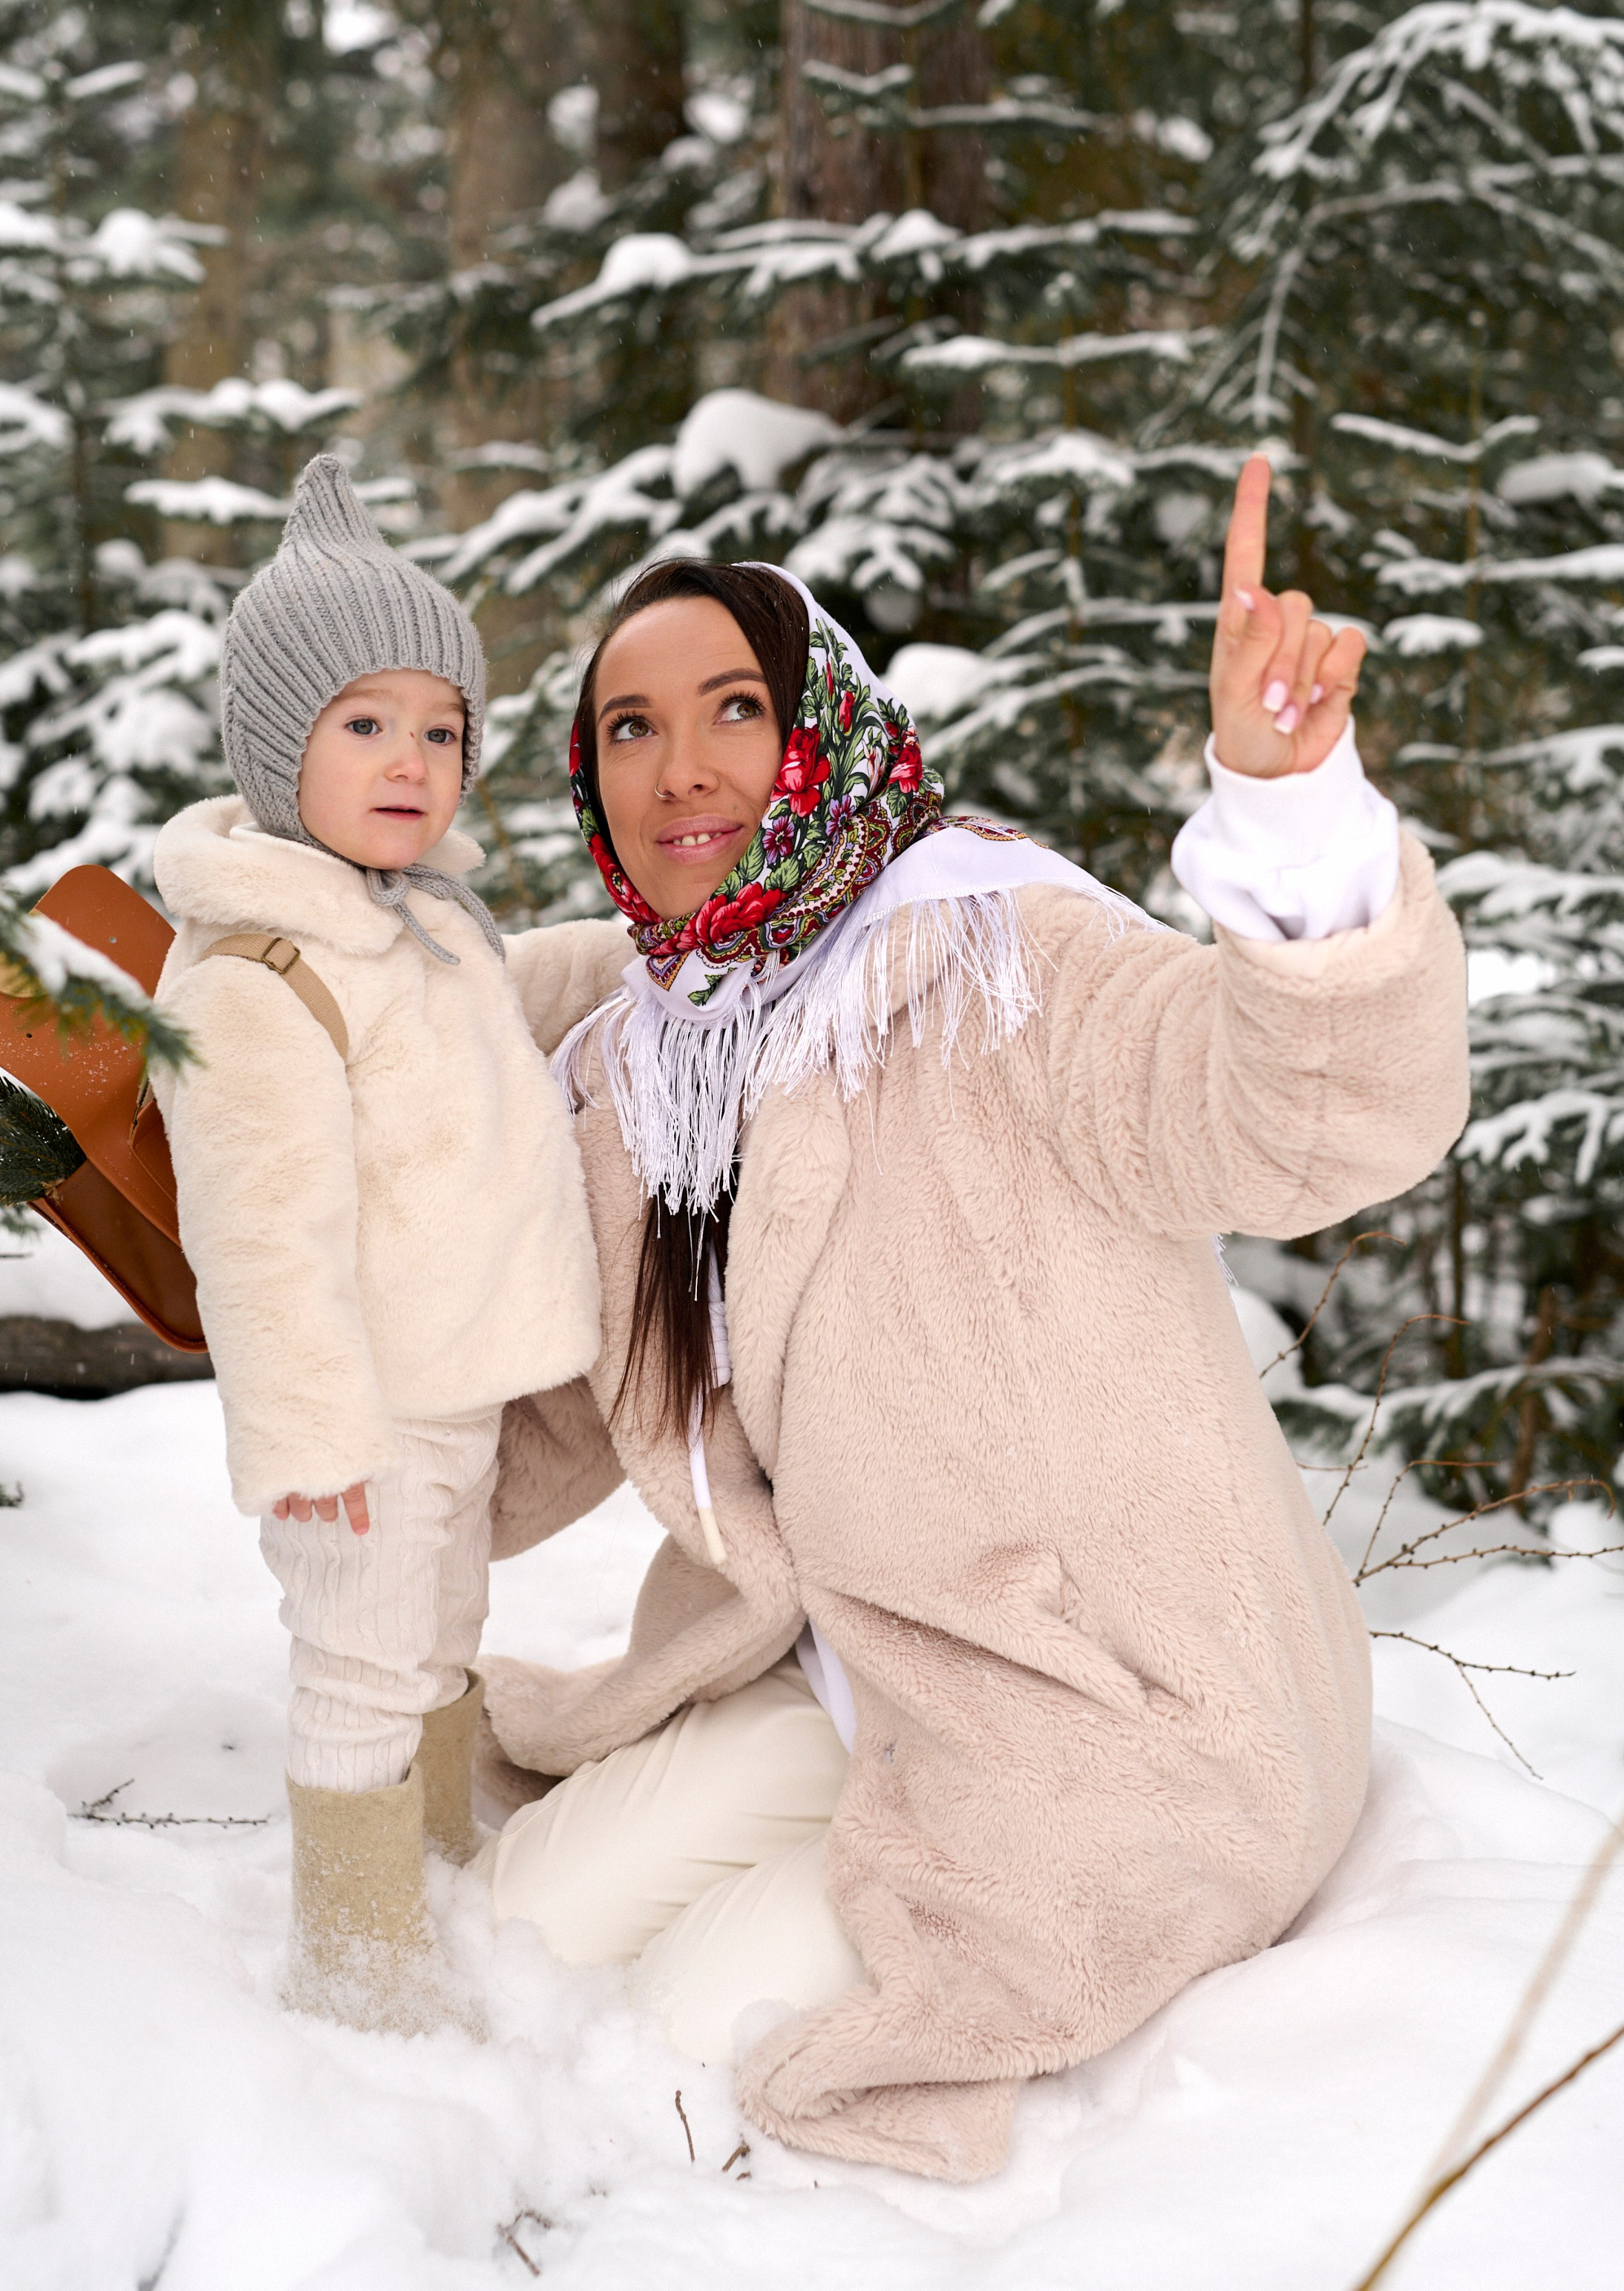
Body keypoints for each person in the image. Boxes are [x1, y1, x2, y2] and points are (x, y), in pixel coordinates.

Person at [476, 455, 1470, 2180]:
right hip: (861, 1673)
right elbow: (547, 1399)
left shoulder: (998, 956)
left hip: (1114, 1710)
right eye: (627, 728)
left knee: (693, 2048)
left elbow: (1289, 1117)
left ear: (823, 736)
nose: (681, 765)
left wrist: (1293, 812)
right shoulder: (651, 1056)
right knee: (519, 1929)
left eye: (733, 707)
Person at [149, 454, 600, 2032]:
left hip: (450, 1386)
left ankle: (434, 1872)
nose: (414, 759)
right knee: (360, 1660)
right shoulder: (259, 968)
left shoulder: (425, 916)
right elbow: (261, 1235)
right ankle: (356, 1964)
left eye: (442, 727)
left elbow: (501, 1026)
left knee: (440, 1636)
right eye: (365, 723)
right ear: (282, 746)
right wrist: (308, 1431)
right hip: (357, 1416)